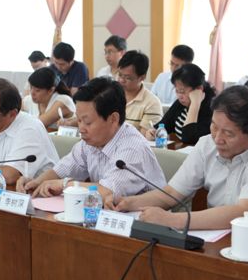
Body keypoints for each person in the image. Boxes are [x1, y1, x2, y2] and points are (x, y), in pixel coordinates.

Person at [116, 85, 248, 231]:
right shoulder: (207, 144)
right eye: (214, 127)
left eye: (228, 133)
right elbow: (172, 193)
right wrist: (127, 202)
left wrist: (171, 220)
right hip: (219, 239)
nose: (217, 138)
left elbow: (243, 212)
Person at [17, 78, 166, 208]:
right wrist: (35, 183)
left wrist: (64, 184)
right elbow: (61, 170)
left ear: (113, 119)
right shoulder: (90, 142)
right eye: (78, 120)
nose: (81, 128)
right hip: (106, 214)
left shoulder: (132, 147)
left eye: (87, 122)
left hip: (145, 221)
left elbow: (108, 192)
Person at [145, 63, 214, 145]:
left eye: (182, 91)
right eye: (177, 91)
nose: (179, 96)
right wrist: (152, 132)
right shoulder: (181, 103)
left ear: (199, 89)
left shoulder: (212, 109)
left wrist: (195, 104)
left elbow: (189, 139)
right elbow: (163, 125)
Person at [116, 50, 162, 132]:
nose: (121, 80)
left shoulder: (151, 103)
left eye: (127, 77)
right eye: (120, 75)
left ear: (142, 77)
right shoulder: (111, 95)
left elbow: (143, 137)